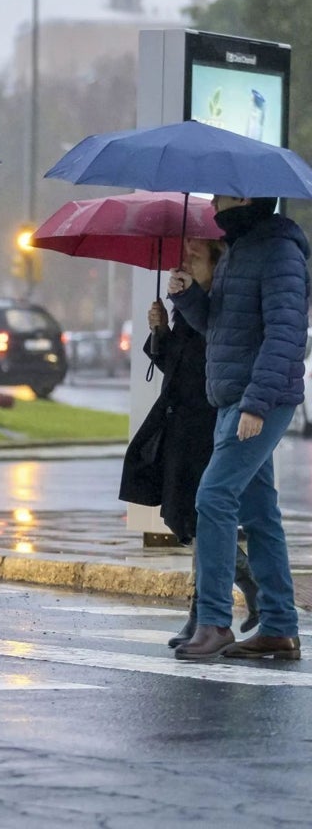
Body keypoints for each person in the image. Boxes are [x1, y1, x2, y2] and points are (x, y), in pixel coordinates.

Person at [169, 196, 308, 661]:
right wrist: (188, 295)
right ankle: (280, 627)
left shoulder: (278, 251)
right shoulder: (240, 249)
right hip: (232, 398)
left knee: (213, 496)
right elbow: (220, 328)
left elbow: (286, 335)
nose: (215, 202)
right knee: (260, 513)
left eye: (224, 195)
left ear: (247, 198)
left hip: (258, 401)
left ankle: (213, 621)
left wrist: (257, 403)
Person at [118, 238, 258, 647]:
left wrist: (188, 310)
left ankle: (225, 599)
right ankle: (209, 608)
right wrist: (161, 329)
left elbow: (211, 361)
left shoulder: (219, 306)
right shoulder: (187, 307)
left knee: (201, 517)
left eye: (193, 258)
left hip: (207, 421)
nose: (183, 264)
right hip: (180, 422)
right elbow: (175, 366)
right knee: (188, 517)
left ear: (216, 264)